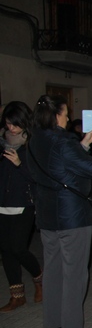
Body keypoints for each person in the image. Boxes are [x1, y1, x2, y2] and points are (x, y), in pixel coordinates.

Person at [27, 95, 92, 328]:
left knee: (53, 269)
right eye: (65, 114)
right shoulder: (63, 141)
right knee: (74, 272)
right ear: (56, 116)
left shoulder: (35, 139)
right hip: (72, 215)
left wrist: (83, 144)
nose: (68, 118)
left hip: (47, 213)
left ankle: (52, 321)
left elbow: (59, 167)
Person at [0, 102, 43, 312]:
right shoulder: (2, 144)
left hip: (24, 203)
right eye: (8, 124)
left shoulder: (32, 145)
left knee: (18, 248)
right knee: (6, 250)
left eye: (15, 124)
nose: (11, 128)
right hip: (3, 203)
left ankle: (39, 279)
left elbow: (38, 177)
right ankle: (17, 296)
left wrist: (19, 164)